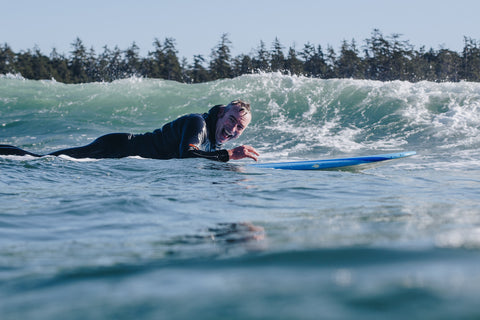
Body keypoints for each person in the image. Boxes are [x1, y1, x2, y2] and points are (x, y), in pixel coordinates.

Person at [0, 100, 260, 162]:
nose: (234, 128)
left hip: (122, 153)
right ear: (220, 114)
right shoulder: (198, 124)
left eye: (240, 127)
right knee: (40, 159)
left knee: (41, 158)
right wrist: (228, 156)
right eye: (232, 120)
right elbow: (187, 153)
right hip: (117, 146)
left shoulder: (214, 139)